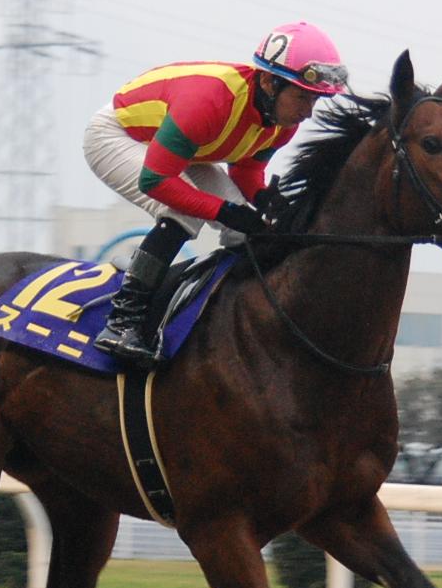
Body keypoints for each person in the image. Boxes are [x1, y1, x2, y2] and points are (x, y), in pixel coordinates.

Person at [82, 21, 349, 364]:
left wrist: (264, 199)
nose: (307, 112)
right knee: (183, 212)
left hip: (188, 149)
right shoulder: (209, 101)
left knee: (245, 230)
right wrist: (223, 211)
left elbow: (246, 171)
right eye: (301, 97)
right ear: (269, 82)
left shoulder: (282, 122)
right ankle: (122, 320)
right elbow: (156, 181)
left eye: (314, 99)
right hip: (119, 136)